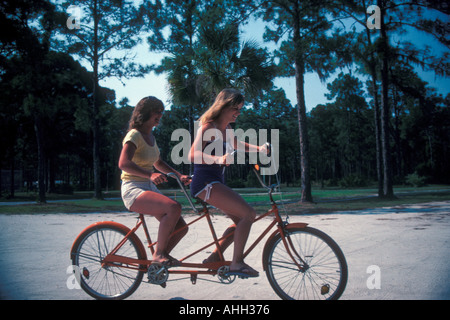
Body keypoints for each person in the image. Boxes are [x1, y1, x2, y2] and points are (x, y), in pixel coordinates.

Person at [189, 88, 268, 278]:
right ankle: (237, 263)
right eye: (236, 108)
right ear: (224, 106)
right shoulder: (208, 127)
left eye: (240, 109)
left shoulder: (227, 129)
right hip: (204, 183)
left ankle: (214, 258)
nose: (238, 113)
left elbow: (237, 145)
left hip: (215, 182)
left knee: (241, 222)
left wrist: (260, 149)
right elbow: (192, 154)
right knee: (248, 213)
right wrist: (217, 159)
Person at [119, 96, 191, 266]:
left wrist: (178, 175)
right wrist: (149, 175)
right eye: (156, 111)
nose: (160, 115)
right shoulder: (134, 135)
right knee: (174, 207)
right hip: (133, 188)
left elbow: (158, 163)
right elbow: (123, 163)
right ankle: (158, 255)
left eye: (162, 112)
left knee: (181, 228)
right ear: (144, 113)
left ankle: (158, 262)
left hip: (148, 187)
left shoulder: (151, 137)